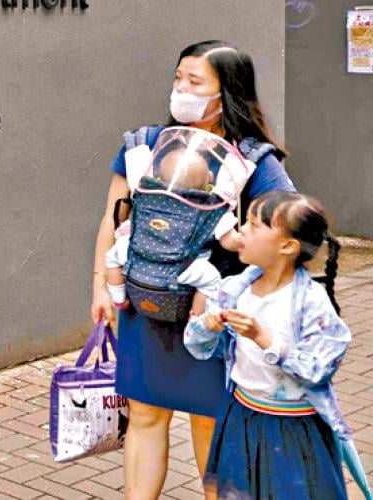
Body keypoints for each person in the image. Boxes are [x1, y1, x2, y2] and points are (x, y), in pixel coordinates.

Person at [89, 40, 295, 499]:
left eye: (195, 82)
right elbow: (113, 219)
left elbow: (289, 228)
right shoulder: (144, 146)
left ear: (228, 93)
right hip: (142, 303)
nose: (181, 89)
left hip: (212, 315)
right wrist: (100, 285)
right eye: (178, 78)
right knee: (144, 414)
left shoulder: (252, 161)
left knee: (210, 421)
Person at [185, 192, 355, 499]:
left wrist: (263, 338)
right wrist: (207, 326)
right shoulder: (234, 289)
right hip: (241, 416)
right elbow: (197, 346)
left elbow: (318, 369)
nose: (242, 229)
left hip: (294, 428)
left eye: (254, 224)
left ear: (287, 246)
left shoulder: (310, 302)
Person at [104, 146, 225, 315]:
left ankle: (118, 298)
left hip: (137, 257)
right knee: (211, 280)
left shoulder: (149, 196)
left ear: (159, 178)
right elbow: (228, 240)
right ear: (210, 178)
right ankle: (196, 316)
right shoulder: (208, 208)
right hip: (180, 268)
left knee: (111, 257)